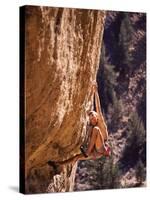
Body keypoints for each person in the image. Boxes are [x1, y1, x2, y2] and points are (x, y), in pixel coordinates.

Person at [47, 81, 110, 172]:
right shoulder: (91, 126)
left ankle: (88, 151)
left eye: (93, 118)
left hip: (100, 148)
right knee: (76, 157)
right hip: (94, 152)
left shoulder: (101, 125)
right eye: (91, 119)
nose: (92, 120)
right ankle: (57, 164)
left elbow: (98, 108)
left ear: (97, 117)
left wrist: (96, 92)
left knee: (96, 129)